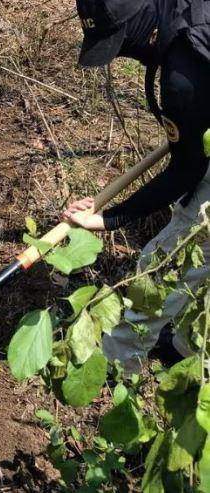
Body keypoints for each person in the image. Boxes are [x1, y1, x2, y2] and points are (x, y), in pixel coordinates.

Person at [64, 0, 210, 375]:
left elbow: (186, 172)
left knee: (170, 259)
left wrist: (109, 219)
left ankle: (116, 366)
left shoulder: (184, 75)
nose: (128, 56)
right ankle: (186, 346)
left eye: (124, 43)